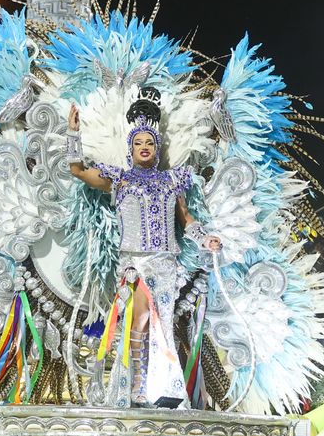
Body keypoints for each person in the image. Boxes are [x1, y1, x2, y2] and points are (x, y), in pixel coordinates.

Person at [65, 89, 221, 408]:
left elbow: (187, 220)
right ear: (130, 147)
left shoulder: (171, 181)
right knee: (138, 322)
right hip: (135, 266)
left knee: (162, 327)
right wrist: (73, 133)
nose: (145, 148)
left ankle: (164, 390)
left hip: (165, 267)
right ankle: (136, 386)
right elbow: (78, 170)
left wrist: (206, 239)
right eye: (139, 143)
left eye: (149, 142)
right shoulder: (119, 181)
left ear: (157, 146)